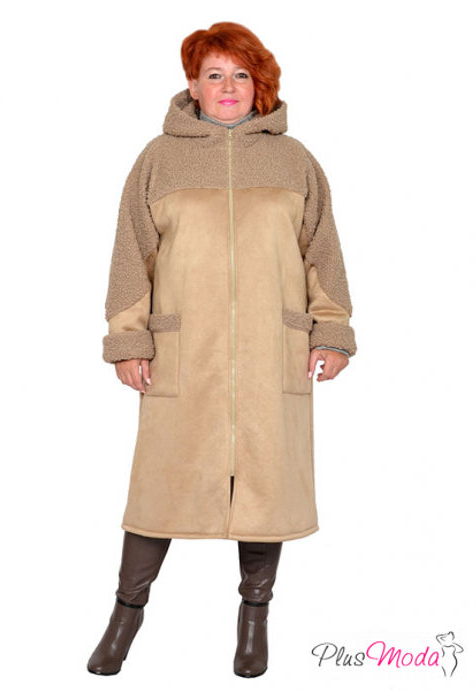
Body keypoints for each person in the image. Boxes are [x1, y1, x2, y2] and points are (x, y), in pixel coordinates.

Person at [87, 21, 357, 678]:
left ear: (259, 85)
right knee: (158, 488)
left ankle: (254, 620)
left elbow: (321, 256)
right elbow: (131, 260)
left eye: (241, 75)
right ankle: (125, 616)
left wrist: (331, 330)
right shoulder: (159, 160)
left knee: (266, 488)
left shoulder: (294, 161)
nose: (228, 87)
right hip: (185, 357)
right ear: (193, 84)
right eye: (214, 74)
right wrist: (129, 340)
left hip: (272, 356)